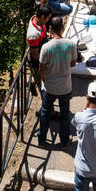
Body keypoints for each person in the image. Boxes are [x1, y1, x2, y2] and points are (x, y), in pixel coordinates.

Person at [37, 16, 76, 150]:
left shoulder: (46, 47)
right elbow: (73, 63)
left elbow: (41, 67)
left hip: (49, 86)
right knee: (65, 114)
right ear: (63, 28)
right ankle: (64, 141)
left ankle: (41, 139)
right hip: (65, 86)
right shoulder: (71, 44)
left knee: (45, 112)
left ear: (50, 29)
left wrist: (44, 78)